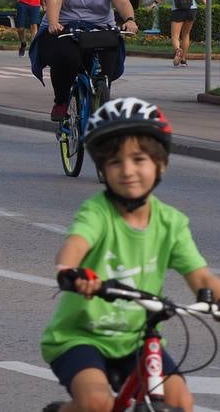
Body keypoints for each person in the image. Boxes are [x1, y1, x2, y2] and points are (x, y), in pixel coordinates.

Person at [41, 98, 220, 412]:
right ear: (102, 168)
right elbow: (76, 244)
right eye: (114, 162)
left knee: (180, 400)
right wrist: (72, 271)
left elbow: (201, 276)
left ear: (160, 164)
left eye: (139, 159)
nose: (127, 171)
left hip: (138, 339)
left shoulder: (171, 223)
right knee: (96, 403)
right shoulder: (98, 212)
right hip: (80, 337)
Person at [34, 0, 140, 122]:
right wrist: (54, 22)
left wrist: (130, 20)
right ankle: (61, 101)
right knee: (67, 58)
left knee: (110, 57)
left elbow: (122, 1)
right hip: (67, 27)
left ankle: (100, 95)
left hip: (99, 29)